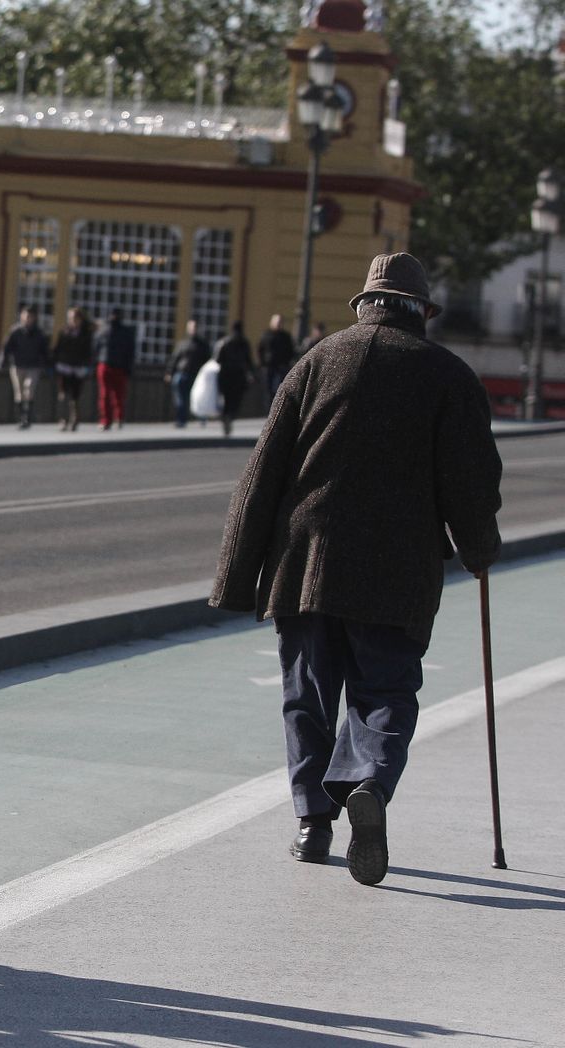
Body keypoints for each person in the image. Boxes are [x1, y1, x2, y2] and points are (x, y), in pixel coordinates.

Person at [208, 253, 502, 887]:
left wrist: (236, 574)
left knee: (307, 696)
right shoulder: (449, 376)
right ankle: (368, 781)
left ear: (365, 304)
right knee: (386, 692)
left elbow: (262, 472)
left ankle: (312, 824)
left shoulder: (316, 361)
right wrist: (479, 548)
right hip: (397, 568)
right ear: (422, 311)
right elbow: (472, 483)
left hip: (304, 561)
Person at [0, 304, 49, 429]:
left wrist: (46, 363)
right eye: (25, 315)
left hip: (33, 366)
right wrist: (1, 361)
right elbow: (6, 347)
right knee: (19, 392)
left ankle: (27, 417)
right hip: (17, 365)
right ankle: (21, 417)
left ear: (34, 318)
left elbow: (44, 351)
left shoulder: (39, 333)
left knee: (29, 389)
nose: (27, 318)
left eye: (30, 316)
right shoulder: (15, 331)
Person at [92, 308, 136, 431]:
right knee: (109, 394)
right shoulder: (107, 331)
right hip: (107, 364)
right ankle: (110, 419)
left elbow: (130, 351)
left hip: (116, 366)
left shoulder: (105, 330)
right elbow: (95, 348)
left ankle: (114, 419)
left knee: (115, 394)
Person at [50, 307, 93, 431]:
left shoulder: (86, 334)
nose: (72, 321)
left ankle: (74, 419)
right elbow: (57, 349)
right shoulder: (64, 332)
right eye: (70, 318)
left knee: (75, 395)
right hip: (64, 367)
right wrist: (54, 363)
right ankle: (62, 419)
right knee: (63, 393)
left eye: (75, 318)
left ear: (80, 319)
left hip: (78, 368)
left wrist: (87, 366)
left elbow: (89, 352)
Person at [165, 319, 212, 428]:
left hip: (197, 375)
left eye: (195, 327)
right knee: (181, 399)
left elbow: (208, 361)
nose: (193, 329)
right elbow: (174, 358)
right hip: (182, 374)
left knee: (198, 397)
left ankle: (201, 418)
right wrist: (169, 372)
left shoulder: (203, 345)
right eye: (191, 327)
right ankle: (181, 420)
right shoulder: (183, 344)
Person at [213, 320, 254, 437]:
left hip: (226, 375)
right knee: (235, 400)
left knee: (227, 399)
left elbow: (217, 359)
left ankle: (226, 417)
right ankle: (229, 417)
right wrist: (251, 373)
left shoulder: (224, 342)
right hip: (238, 376)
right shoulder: (244, 343)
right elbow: (249, 361)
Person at [257, 313, 296, 404]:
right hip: (269, 366)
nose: (278, 324)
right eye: (277, 322)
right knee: (268, 391)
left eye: (280, 322)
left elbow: (290, 351)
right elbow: (260, 350)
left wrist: (286, 362)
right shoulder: (266, 335)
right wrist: (262, 364)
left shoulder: (285, 337)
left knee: (281, 390)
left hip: (281, 366)